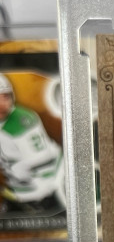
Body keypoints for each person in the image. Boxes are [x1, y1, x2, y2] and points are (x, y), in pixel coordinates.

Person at [0, 72, 65, 212]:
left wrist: (20, 167)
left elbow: (44, 157)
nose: (3, 104)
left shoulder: (21, 120)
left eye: (5, 97)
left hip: (43, 191)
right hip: (16, 191)